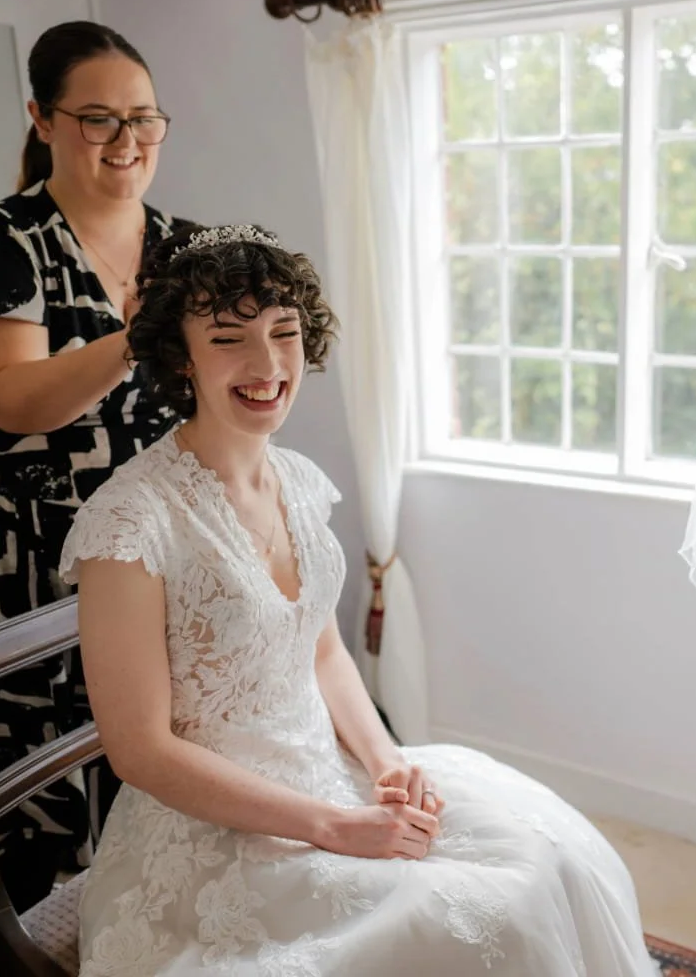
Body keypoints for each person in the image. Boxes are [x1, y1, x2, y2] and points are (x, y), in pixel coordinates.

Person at [57, 223, 658, 976]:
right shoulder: (129, 520)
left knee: (555, 855)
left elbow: (321, 647)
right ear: (181, 358)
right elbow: (140, 752)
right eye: (229, 340)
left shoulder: (300, 481)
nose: (267, 364)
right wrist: (334, 828)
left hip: (332, 774)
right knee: (481, 928)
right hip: (216, 843)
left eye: (284, 333)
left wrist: (383, 760)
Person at [0, 21, 188, 909]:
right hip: (24, 549)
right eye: (99, 119)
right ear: (41, 117)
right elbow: (15, 402)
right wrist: (134, 337)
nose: (127, 144)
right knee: (44, 783)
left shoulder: (187, 246)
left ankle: (146, 927)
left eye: (145, 120)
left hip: (153, 543)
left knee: (155, 753)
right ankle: (45, 931)